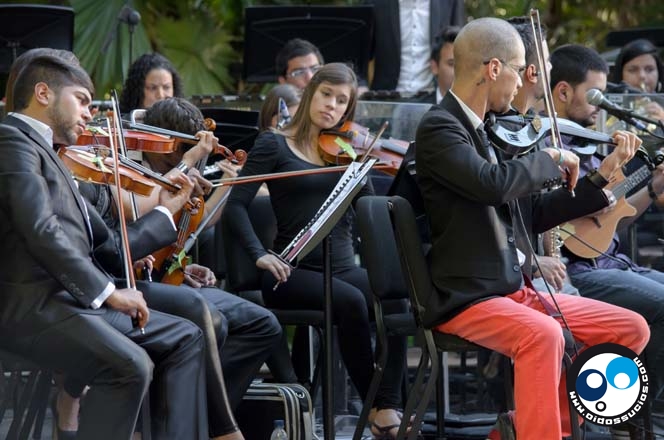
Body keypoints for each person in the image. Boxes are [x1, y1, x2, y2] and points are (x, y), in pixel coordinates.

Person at [414, 18, 649, 439]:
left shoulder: (486, 129)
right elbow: (492, 185)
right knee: (543, 335)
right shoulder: (441, 128)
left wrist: (600, 180)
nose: (526, 80)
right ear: (493, 69)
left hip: (511, 289)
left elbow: (534, 213)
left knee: (631, 328)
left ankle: (534, 428)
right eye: (521, 69)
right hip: (468, 296)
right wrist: (552, 158)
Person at [0, 53, 209, 440]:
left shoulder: (54, 155)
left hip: (66, 302)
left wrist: (169, 210)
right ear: (43, 93)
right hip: (32, 308)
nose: (89, 113)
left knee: (186, 337)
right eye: (81, 99)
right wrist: (108, 292)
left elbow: (109, 244)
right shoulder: (12, 140)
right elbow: (40, 230)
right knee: (131, 367)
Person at [225, 62, 408, 438]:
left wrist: (367, 174)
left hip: (341, 267)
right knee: (353, 303)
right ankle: (374, 406)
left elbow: (367, 214)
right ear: (311, 93)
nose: (332, 106)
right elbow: (235, 206)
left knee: (396, 299)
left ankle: (389, 403)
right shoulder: (273, 144)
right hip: (289, 271)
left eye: (342, 101)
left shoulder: (344, 152)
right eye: (327, 95)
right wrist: (260, 253)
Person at [551, 43, 664, 434]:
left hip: (610, 261)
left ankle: (636, 415)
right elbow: (562, 219)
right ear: (563, 91)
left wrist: (652, 186)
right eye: (594, 95)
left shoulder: (592, 143)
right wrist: (592, 198)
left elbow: (609, 224)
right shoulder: (550, 146)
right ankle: (622, 417)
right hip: (573, 271)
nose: (601, 104)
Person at [505, 16, 579, 296]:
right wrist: (532, 264)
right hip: (511, 277)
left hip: (538, 270)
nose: (552, 68)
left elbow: (540, 214)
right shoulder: (499, 134)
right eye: (547, 62)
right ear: (531, 72)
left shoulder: (532, 126)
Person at [366, 0, 465, 93]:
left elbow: (458, 49)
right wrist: (361, 85)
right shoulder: (376, 2)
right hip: (385, 98)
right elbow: (362, 53)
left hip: (434, 97)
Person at [610, 38, 664, 122]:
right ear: (620, 74)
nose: (642, 76)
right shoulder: (605, 108)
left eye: (649, 69)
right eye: (633, 70)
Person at [119, 52, 184, 112]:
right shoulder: (122, 122)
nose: (160, 95)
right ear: (137, 91)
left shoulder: (183, 122)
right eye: (153, 88)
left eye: (166, 87)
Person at [424, 25, 460, 104]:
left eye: (465, 64)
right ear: (434, 67)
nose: (460, 71)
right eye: (452, 64)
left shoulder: (485, 112)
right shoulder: (418, 109)